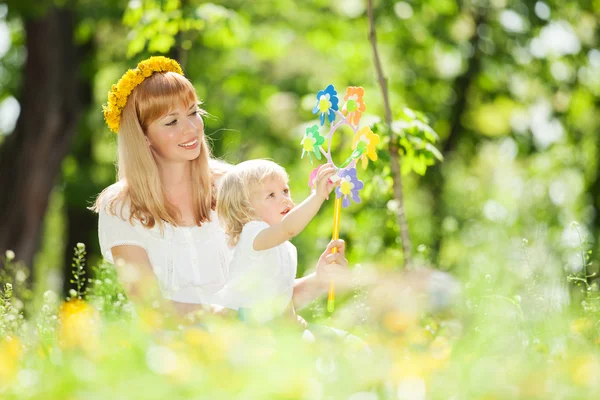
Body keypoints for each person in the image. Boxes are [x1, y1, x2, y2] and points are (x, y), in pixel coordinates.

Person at [93, 56, 348, 318]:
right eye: (172, 122)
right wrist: (229, 319)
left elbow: (266, 300)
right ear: (142, 135)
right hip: (173, 352)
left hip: (248, 343)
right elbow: (150, 308)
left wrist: (319, 280)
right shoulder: (120, 206)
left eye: (193, 113)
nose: (191, 129)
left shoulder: (233, 185)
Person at [216, 159, 339, 323]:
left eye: (285, 191)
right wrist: (317, 196)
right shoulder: (252, 234)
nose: (284, 199)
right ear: (245, 209)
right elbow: (288, 228)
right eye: (271, 195)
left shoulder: (285, 247)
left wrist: (291, 317)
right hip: (242, 322)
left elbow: (281, 291)